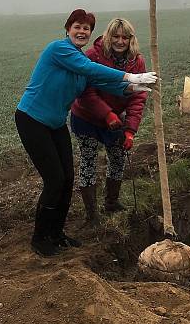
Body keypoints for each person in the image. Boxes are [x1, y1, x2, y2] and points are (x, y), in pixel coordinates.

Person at [15, 9, 156, 256]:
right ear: (68, 29)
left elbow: (100, 82)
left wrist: (134, 86)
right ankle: (40, 238)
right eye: (77, 27)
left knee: (67, 178)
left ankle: (57, 233)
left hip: (56, 124)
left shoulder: (80, 60)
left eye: (86, 29)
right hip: (32, 119)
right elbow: (91, 70)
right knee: (54, 179)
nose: (82, 32)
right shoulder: (59, 50)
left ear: (91, 33)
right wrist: (129, 75)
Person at [70, 18, 147, 225]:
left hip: (116, 119)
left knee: (118, 158)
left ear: (131, 39)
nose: (120, 41)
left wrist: (130, 130)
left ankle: (111, 203)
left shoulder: (136, 61)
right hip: (86, 118)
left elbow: (138, 97)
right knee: (88, 161)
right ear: (108, 36)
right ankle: (92, 214)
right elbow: (86, 92)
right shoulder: (93, 56)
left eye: (125, 37)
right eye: (116, 36)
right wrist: (106, 114)